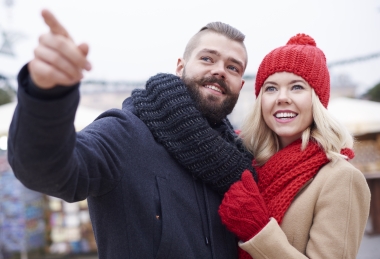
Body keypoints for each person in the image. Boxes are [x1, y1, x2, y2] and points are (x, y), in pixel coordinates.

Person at [7, 9, 256, 259]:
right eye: (207, 59)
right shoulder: (125, 133)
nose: (220, 71)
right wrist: (46, 95)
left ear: (240, 85)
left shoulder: (239, 161)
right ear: (180, 67)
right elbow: (46, 169)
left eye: (233, 67)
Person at [216, 34, 371, 258]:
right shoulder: (247, 165)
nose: (282, 98)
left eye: (297, 87)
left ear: (317, 100)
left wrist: (258, 232)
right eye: (271, 88)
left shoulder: (341, 178)